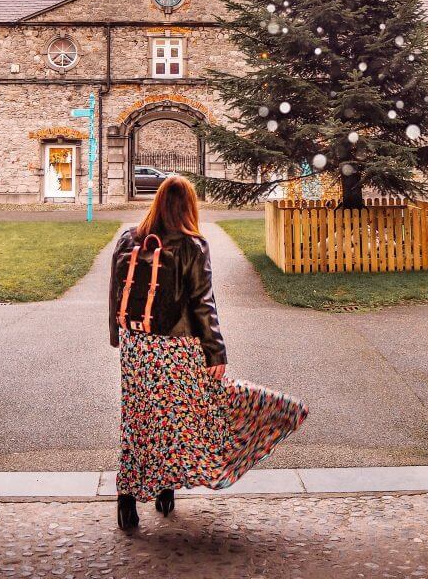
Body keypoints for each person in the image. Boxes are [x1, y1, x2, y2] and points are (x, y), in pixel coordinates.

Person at [109, 175, 308, 530]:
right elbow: (203, 303)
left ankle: (127, 499)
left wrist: (118, 336)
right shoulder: (192, 245)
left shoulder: (130, 238)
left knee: (140, 420)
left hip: (136, 346)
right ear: (189, 206)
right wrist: (216, 353)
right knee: (186, 415)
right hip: (178, 347)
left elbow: (115, 289)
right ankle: (166, 489)